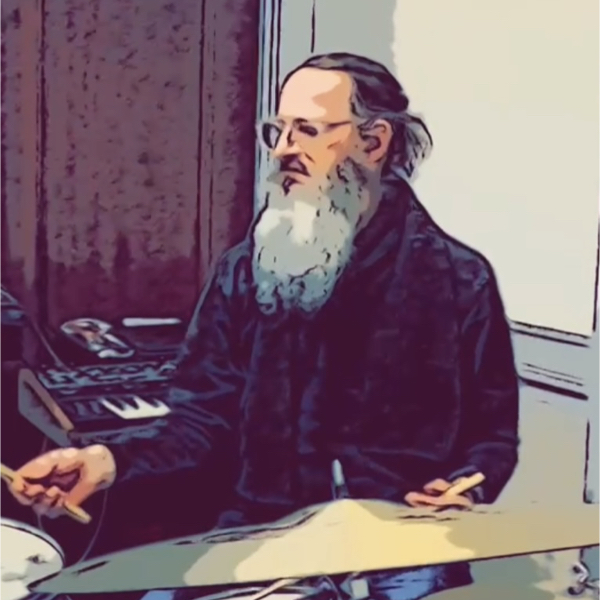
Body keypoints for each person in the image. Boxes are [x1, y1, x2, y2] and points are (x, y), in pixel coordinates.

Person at [8, 53, 520, 600]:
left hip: (401, 548)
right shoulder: (245, 270)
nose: (282, 150)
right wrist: (104, 461)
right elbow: (200, 422)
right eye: (277, 130)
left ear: (374, 143)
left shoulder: (459, 279)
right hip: (258, 535)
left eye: (308, 130)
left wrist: (467, 486)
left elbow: (492, 439)